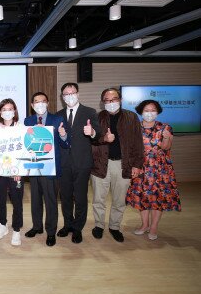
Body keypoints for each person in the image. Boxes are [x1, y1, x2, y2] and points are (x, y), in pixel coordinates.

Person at [91, 88, 144, 242]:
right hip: (101, 164)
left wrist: (137, 164)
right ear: (103, 102)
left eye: (114, 99)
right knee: (98, 199)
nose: (111, 102)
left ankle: (114, 227)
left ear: (120, 100)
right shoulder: (97, 117)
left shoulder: (131, 117)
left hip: (123, 164)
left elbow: (137, 142)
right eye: (107, 100)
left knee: (119, 200)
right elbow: (92, 140)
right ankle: (99, 225)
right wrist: (104, 139)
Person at [126, 100, 181, 240]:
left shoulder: (165, 127)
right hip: (141, 168)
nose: (149, 113)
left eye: (153, 110)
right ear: (141, 111)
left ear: (157, 112)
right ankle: (144, 225)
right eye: (146, 110)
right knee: (142, 197)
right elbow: (131, 149)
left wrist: (167, 139)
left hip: (160, 169)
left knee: (158, 198)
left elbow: (166, 147)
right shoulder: (134, 127)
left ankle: (154, 227)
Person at [56, 83, 101, 244]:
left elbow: (98, 133)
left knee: (80, 197)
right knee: (66, 196)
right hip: (64, 163)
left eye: (72, 93)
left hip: (82, 162)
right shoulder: (58, 114)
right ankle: (68, 224)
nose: (69, 96)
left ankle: (77, 228)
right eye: (66, 94)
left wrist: (93, 132)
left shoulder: (89, 112)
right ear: (62, 97)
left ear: (78, 94)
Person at [24, 92, 69, 247]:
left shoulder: (57, 120)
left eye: (43, 101)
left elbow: (65, 144)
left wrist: (63, 135)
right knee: (35, 199)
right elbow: (25, 144)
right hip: (34, 166)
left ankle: (51, 232)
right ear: (32, 105)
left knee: (50, 200)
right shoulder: (27, 121)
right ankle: (37, 227)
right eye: (36, 101)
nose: (40, 104)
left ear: (48, 103)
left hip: (50, 168)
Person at [0, 98, 24, 246]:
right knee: (0, 200)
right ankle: (2, 225)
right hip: (0, 172)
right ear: (0, 112)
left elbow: (24, 151)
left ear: (15, 111)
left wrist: (19, 169)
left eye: (10, 109)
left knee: (16, 201)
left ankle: (16, 230)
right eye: (4, 110)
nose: (7, 112)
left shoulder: (21, 127)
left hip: (16, 172)